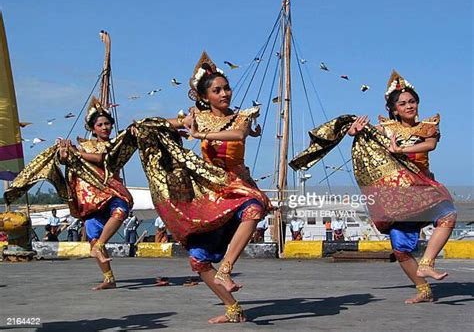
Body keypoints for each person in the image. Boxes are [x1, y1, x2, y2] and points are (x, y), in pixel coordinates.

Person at [290, 70, 456, 304]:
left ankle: (427, 263)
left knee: (448, 214)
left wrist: (401, 150)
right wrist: (353, 131)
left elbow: (430, 145)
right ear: (394, 109)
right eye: (403, 103)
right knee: (400, 248)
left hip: (422, 188)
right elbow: (363, 136)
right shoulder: (385, 130)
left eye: (412, 101)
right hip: (397, 194)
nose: (409, 106)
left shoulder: (428, 127)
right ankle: (423, 289)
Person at [157, 52, 272, 323]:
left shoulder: (241, 117)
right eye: (217, 90)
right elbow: (167, 124)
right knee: (198, 259)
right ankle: (232, 308)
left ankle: (227, 269)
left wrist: (200, 135)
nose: (225, 93)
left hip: (238, 183)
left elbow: (239, 134)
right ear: (205, 96)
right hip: (210, 190)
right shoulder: (197, 116)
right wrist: (146, 127)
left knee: (254, 208)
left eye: (226, 88)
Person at [58, 97, 134, 290]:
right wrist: (65, 154)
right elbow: (67, 162)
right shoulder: (85, 146)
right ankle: (109, 278)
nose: (105, 127)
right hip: (91, 196)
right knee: (93, 235)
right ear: (93, 129)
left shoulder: (117, 144)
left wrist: (76, 153)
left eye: (107, 123)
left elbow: (103, 159)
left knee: (121, 210)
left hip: (112, 191)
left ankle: (100, 246)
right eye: (100, 124)